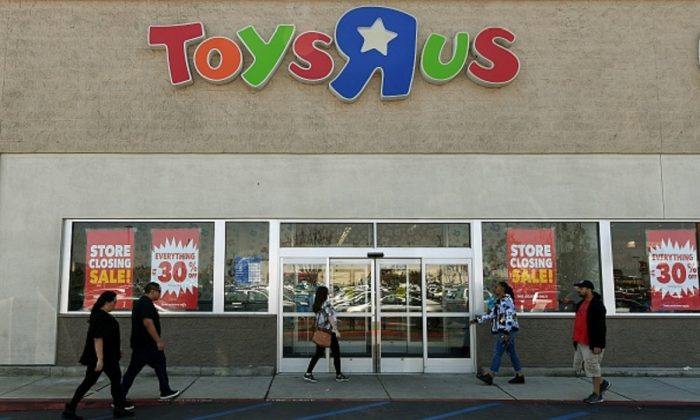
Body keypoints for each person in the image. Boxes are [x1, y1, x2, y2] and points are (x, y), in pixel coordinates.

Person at [62, 291, 134, 419]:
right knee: (100, 381)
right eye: (114, 302)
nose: (115, 304)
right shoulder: (101, 317)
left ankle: (118, 407)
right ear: (106, 302)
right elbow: (98, 339)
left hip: (108, 356)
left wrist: (117, 350)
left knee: (109, 380)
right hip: (103, 357)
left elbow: (107, 338)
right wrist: (100, 360)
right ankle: (118, 408)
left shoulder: (100, 315)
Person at [121, 282, 180, 402]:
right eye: (159, 292)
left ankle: (165, 390)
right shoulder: (145, 304)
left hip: (142, 344)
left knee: (157, 366)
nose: (160, 294)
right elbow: (147, 322)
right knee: (135, 370)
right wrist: (158, 340)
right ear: (152, 291)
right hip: (146, 345)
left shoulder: (142, 303)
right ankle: (120, 396)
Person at [470, 281, 525, 385]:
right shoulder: (499, 301)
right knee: (512, 353)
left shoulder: (507, 300)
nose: (495, 289)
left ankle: (490, 375)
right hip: (506, 330)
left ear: (503, 288)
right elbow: (491, 315)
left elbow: (509, 316)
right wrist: (477, 320)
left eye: (497, 287)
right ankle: (520, 375)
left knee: (498, 352)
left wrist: (506, 333)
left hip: (506, 331)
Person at [572, 279, 610, 404]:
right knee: (584, 366)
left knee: (593, 369)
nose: (579, 290)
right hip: (581, 341)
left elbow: (601, 326)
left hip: (591, 342)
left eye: (581, 288)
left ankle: (597, 395)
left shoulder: (597, 305)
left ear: (589, 289)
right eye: (579, 288)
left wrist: (598, 344)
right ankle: (603, 383)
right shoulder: (581, 304)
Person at [303, 285, 349, 383]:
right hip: (329, 332)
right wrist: (336, 330)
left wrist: (336, 320)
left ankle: (308, 373)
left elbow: (324, 317)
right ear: (325, 294)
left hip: (322, 331)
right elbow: (329, 317)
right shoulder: (325, 304)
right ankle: (338, 375)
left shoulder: (317, 304)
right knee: (336, 353)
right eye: (327, 292)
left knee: (319, 353)